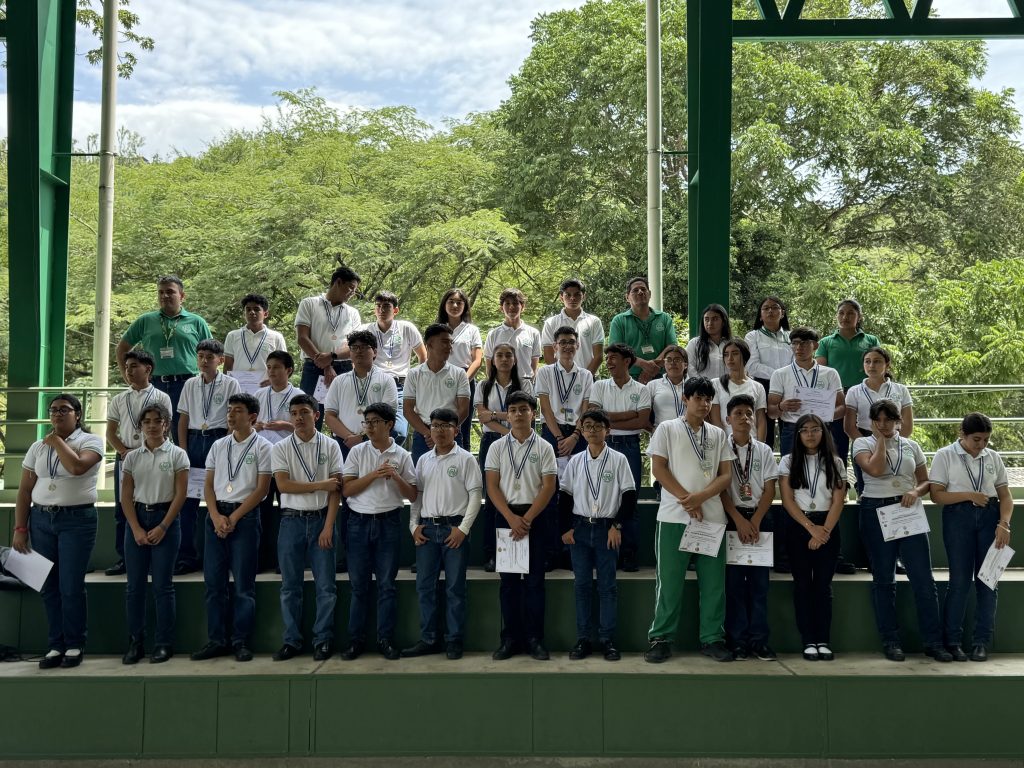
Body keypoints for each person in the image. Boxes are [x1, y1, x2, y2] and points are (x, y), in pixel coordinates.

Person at [644, 377, 734, 664]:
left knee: (714, 584)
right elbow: (659, 469)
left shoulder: (718, 434)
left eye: (708, 399)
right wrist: (687, 500)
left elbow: (725, 475)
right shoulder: (667, 429)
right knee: (669, 583)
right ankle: (661, 638)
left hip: (712, 518)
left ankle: (712, 639)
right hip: (674, 517)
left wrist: (701, 498)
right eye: (698, 398)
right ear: (685, 399)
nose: (704, 404)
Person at [853, 399, 951, 663]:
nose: (883, 424)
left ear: (898, 421)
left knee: (923, 580)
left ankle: (933, 642)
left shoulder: (911, 445)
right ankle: (891, 641)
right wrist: (880, 440)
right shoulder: (862, 443)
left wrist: (915, 491)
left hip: (907, 510)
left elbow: (925, 481)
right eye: (877, 420)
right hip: (876, 510)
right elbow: (875, 469)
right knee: (884, 580)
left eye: (888, 420)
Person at [12, 395, 104, 668]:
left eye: (64, 410)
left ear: (78, 414)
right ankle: (55, 645)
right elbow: (24, 490)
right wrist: (20, 528)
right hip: (41, 520)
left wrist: (57, 442)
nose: (57, 414)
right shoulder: (37, 447)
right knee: (48, 586)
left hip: (76, 520)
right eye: (53, 410)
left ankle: (74, 644)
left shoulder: (90, 441)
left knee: (70, 586)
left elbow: (77, 467)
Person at [191, 393, 272, 663]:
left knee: (243, 585)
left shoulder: (263, 447)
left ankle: (241, 641)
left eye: (237, 410)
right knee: (214, 584)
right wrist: (215, 516)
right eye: (229, 410)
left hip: (245, 517)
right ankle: (217, 640)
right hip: (216, 516)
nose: (231, 415)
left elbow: (261, 490)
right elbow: (208, 485)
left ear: (252, 417)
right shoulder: (218, 445)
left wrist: (234, 517)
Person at [930, 412, 1014, 662]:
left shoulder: (993, 457)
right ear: (962, 434)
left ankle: (981, 642)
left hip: (990, 517)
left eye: (986, 440)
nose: (981, 445)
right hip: (958, 516)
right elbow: (936, 495)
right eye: (976, 439)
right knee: (959, 581)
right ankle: (953, 641)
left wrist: (1004, 524)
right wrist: (969, 495)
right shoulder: (945, 455)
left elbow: (1005, 496)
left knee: (988, 581)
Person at [403, 407, 483, 660]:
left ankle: (454, 640)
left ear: (456, 430)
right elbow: (417, 497)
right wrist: (413, 526)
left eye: (445, 426)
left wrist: (463, 529)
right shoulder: (423, 460)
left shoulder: (466, 459)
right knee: (425, 588)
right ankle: (429, 639)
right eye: (435, 425)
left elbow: (476, 496)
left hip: (454, 530)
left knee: (455, 589)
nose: (439, 430)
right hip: (427, 530)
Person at [340, 402, 417, 661]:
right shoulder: (357, 452)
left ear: (389, 425)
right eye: (367, 422)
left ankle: (385, 640)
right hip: (358, 523)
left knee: (387, 586)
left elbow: (412, 494)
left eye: (375, 422)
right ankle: (355, 641)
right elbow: (347, 490)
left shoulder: (402, 455)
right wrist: (374, 474)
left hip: (388, 523)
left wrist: (395, 477)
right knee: (358, 586)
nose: (369, 427)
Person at [558, 408, 636, 661]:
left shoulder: (619, 460)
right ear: (582, 430)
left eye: (598, 426)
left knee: (607, 587)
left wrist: (617, 526)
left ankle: (607, 639)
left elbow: (629, 496)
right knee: (581, 586)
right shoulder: (575, 461)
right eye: (588, 426)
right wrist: (566, 528)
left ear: (607, 430)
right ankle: (583, 639)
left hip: (607, 529)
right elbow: (565, 497)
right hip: (580, 529)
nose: (592, 430)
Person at [271, 394, 344, 662]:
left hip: (322, 519)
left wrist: (328, 526)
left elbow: (336, 490)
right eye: (293, 413)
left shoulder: (331, 445)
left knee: (326, 587)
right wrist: (320, 485)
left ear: (316, 415)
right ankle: (291, 640)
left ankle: (322, 640)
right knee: (290, 587)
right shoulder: (280, 448)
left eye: (304, 412)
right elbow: (283, 486)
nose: (298, 417)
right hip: (291, 521)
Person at [485, 391, 558, 661]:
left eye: (523, 409)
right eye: (513, 409)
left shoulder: (544, 447)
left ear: (533, 413)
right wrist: (511, 518)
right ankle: (510, 639)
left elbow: (548, 487)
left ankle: (534, 639)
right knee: (509, 584)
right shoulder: (496, 447)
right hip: (506, 517)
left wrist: (526, 520)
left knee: (535, 583)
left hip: (535, 517)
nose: (518, 414)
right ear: (507, 414)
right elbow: (492, 486)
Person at [120, 402, 190, 664]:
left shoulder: (177, 455)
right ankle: (135, 642)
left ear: (166, 424)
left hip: (165, 519)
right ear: (141, 426)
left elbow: (181, 494)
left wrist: (163, 526)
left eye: (157, 421)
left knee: (163, 586)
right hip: (137, 518)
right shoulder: (132, 457)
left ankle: (163, 643)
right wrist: (136, 528)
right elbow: (126, 496)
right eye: (146, 421)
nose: (151, 426)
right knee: (134, 587)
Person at [778, 414, 847, 662]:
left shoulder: (836, 462)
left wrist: (824, 530)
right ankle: (808, 640)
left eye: (815, 429)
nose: (810, 434)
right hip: (799, 526)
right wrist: (811, 528)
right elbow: (787, 500)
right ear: (797, 435)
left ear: (823, 432)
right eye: (804, 430)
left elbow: (838, 500)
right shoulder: (787, 461)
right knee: (803, 585)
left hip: (828, 525)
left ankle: (823, 640)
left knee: (823, 587)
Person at [116, 275, 212, 443]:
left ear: (182, 296)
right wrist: (128, 377)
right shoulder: (145, 320)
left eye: (170, 292)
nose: (164, 296)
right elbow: (122, 348)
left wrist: (208, 382)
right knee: (152, 431)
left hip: (187, 384)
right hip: (153, 384)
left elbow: (212, 353)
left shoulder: (196, 322)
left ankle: (184, 459)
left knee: (185, 433)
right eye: (160, 292)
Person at [175, 339, 242, 575]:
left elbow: (233, 418)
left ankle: (227, 555)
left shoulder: (231, 383)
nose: (204, 361)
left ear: (220, 360)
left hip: (218, 439)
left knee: (224, 497)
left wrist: (227, 445)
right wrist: (183, 450)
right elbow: (183, 419)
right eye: (201, 356)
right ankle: (186, 556)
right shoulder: (190, 384)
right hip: (194, 441)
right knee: (188, 501)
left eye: (210, 357)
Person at [721, 394, 779, 661]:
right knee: (733, 586)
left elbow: (770, 489)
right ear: (727, 419)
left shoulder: (764, 450)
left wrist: (754, 521)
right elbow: (721, 490)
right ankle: (737, 641)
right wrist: (739, 519)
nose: (744, 418)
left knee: (759, 585)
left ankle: (759, 641)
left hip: (760, 519)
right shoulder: (721, 448)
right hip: (731, 519)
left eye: (749, 413)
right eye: (738, 413)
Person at [104, 350, 172, 576]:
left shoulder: (161, 397)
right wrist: (124, 452)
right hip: (125, 456)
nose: (128, 371)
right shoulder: (119, 399)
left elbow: (166, 430)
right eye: (126, 367)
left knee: (153, 503)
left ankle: (153, 557)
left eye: (134, 366)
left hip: (152, 456)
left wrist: (147, 450)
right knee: (122, 508)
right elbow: (110, 432)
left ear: (148, 369)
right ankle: (124, 558)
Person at [587, 343, 651, 572]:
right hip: (603, 446)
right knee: (603, 498)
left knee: (629, 500)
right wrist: (629, 414)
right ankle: (604, 553)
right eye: (607, 358)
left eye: (614, 357)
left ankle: (628, 553)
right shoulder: (599, 386)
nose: (609, 362)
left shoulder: (642, 389)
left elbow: (641, 422)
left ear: (627, 361)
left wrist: (608, 419)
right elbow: (594, 417)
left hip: (630, 446)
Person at [535, 325, 593, 567]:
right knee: (550, 494)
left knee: (576, 493)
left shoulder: (586, 375)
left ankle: (572, 552)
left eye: (571, 342)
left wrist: (575, 436)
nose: (568, 346)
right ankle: (551, 552)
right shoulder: (545, 372)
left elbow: (585, 409)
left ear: (578, 345)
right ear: (555, 346)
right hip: (552, 434)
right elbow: (545, 408)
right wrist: (560, 438)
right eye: (563, 342)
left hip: (578, 435)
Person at [474, 343, 531, 572]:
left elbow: (527, 412)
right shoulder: (483, 385)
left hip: (522, 444)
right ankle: (492, 553)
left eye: (509, 355)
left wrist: (495, 414)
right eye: (500, 355)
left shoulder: (525, 384)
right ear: (493, 360)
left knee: (519, 495)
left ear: (515, 360)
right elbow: (482, 417)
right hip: (492, 442)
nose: (504, 359)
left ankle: (522, 551)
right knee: (492, 499)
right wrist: (510, 431)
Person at [815, 298, 881, 466]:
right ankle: (840, 478)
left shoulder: (871, 340)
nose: (845, 317)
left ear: (859, 317)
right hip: (837, 397)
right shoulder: (826, 342)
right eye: (841, 313)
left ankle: (865, 477)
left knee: (867, 437)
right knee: (837, 442)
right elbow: (821, 373)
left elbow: (878, 364)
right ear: (837, 316)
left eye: (851, 313)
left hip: (864, 395)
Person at [294, 266, 362, 423]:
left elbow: (354, 345)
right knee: (310, 415)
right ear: (338, 282)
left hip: (343, 368)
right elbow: (302, 338)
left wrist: (332, 357)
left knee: (344, 417)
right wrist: (325, 364)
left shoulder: (353, 313)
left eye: (355, 290)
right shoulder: (309, 304)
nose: (352, 293)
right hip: (314, 367)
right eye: (350, 288)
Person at [766, 327, 845, 457]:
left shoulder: (830, 373)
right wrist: (781, 406)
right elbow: (771, 411)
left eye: (804, 343)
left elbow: (842, 407)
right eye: (795, 343)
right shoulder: (779, 374)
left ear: (815, 345)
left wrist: (826, 413)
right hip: (793, 429)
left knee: (823, 467)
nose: (799, 347)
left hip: (821, 428)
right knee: (791, 468)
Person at [844, 346, 914, 495]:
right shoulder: (854, 391)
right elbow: (849, 426)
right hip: (864, 437)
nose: (871, 365)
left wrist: (895, 442)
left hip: (895, 438)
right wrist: (866, 444)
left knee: (895, 481)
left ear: (887, 365)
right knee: (865, 486)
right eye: (867, 361)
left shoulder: (900, 389)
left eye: (877, 361)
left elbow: (907, 425)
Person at [253, 350, 299, 571]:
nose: (271, 371)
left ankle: (285, 561)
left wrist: (286, 425)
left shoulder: (298, 395)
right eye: (269, 367)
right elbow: (248, 425)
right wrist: (255, 426)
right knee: (261, 511)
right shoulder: (260, 394)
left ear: (288, 370)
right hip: (262, 461)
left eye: (277, 367)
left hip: (288, 461)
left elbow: (307, 429)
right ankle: (261, 560)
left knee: (286, 511)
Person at [324, 330, 400, 458]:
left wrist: (362, 438)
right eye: (354, 348)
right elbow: (329, 415)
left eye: (364, 347)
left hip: (376, 443)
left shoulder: (387, 380)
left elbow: (388, 415)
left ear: (374, 352)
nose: (359, 351)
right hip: (344, 443)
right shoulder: (339, 381)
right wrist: (349, 437)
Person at [363, 291, 426, 442]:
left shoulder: (406, 328)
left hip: (400, 385)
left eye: (386, 306)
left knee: (399, 432)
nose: (382, 310)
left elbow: (423, 356)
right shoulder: (366, 330)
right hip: (374, 383)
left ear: (395, 310)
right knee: (371, 429)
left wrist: (418, 382)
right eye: (378, 306)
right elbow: (355, 356)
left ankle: (390, 457)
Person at [404, 323, 471, 464]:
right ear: (429, 344)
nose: (449, 347)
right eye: (445, 342)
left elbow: (464, 409)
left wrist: (447, 430)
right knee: (421, 475)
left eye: (451, 343)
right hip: (423, 435)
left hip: (451, 433)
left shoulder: (459, 374)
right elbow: (408, 410)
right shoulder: (414, 374)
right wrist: (429, 433)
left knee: (455, 474)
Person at [436, 288, 483, 451]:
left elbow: (477, 360)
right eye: (451, 301)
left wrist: (463, 380)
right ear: (444, 304)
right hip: (440, 379)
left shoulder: (472, 330)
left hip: (466, 378)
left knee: (462, 426)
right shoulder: (437, 329)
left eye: (459, 302)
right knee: (440, 423)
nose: (455, 305)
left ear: (465, 306)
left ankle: (465, 461)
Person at [607, 276, 678, 382]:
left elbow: (672, 346)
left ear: (650, 294)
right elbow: (616, 351)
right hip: (629, 378)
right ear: (627, 297)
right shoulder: (619, 321)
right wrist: (643, 364)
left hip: (662, 377)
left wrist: (652, 367)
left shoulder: (664, 318)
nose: (640, 292)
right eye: (635, 290)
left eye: (643, 289)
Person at [745, 296, 792, 450]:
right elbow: (752, 366)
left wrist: (785, 378)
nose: (770, 311)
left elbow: (796, 362)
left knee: (790, 428)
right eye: (766, 308)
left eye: (775, 307)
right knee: (765, 429)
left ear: (782, 313)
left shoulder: (791, 337)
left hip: (789, 385)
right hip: (763, 385)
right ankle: (766, 460)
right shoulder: (753, 336)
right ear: (760, 315)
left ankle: (788, 461)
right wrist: (779, 375)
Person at [540, 278, 605, 375]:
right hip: (560, 378)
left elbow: (598, 356)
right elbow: (548, 356)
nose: (572, 298)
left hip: (589, 377)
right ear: (561, 297)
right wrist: (560, 377)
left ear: (584, 296)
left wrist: (585, 377)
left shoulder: (594, 321)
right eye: (568, 295)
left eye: (577, 294)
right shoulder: (551, 323)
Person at [222, 293, 287, 388]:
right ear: (244, 313)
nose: (252, 312)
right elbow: (228, 366)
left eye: (256, 309)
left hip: (266, 388)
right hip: (239, 388)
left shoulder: (276, 337)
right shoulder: (232, 336)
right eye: (248, 309)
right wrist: (227, 386)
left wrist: (273, 381)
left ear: (265, 314)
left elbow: (283, 364)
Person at [710, 338, 767, 442]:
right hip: (726, 442)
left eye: (735, 353)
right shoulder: (716, 384)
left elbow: (761, 420)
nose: (730, 358)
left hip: (752, 442)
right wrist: (725, 444)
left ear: (745, 356)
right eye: (726, 354)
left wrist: (760, 446)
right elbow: (715, 419)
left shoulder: (757, 387)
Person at [482, 288, 541, 382]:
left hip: (525, 383)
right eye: (507, 303)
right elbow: (489, 364)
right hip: (501, 384)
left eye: (515, 303)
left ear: (522, 307)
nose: (511, 307)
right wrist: (492, 384)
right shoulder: (493, 334)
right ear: (501, 308)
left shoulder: (533, 333)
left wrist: (531, 383)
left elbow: (534, 365)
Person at [685, 304, 731, 381]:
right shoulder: (694, 344)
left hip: (728, 387)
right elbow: (689, 368)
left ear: (723, 322)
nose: (710, 323)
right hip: (701, 387)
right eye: (706, 319)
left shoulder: (731, 344)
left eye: (715, 319)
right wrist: (703, 385)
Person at [646, 344, 687, 428]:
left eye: (677, 360)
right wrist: (653, 431)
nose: (672, 363)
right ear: (664, 364)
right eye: (668, 360)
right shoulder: (653, 385)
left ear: (685, 365)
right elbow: (642, 415)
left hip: (689, 433)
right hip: (662, 433)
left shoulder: (694, 385)